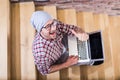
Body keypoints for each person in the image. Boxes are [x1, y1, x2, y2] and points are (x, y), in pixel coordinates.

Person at [30, 11, 89, 75]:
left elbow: (73, 29)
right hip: (59, 58)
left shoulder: (55, 24)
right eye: (48, 26)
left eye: (53, 23)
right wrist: (66, 64)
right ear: (40, 30)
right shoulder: (41, 54)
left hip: (61, 43)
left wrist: (81, 33)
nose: (54, 28)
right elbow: (46, 71)